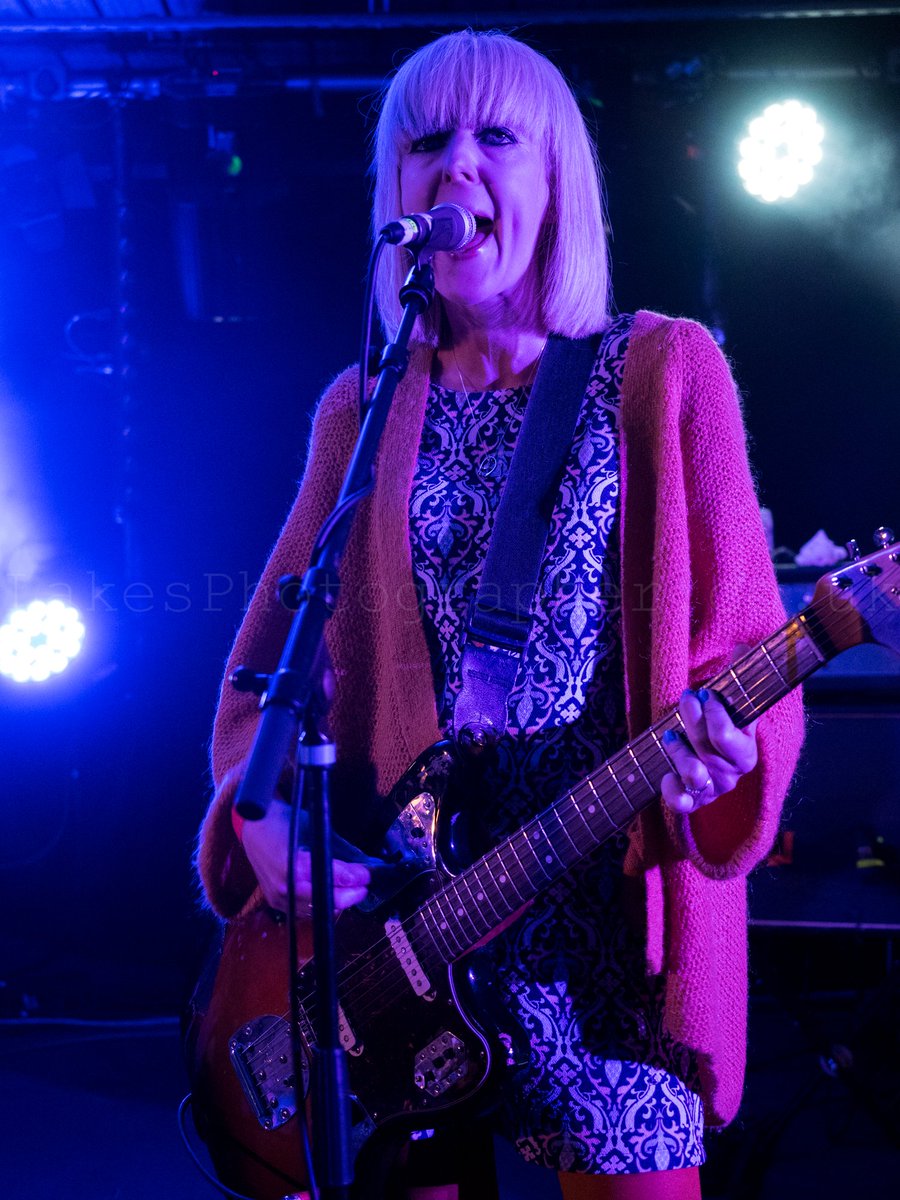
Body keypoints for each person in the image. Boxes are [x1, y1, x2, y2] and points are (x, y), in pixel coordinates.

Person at [197, 29, 804, 1200]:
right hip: (410, 935)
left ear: (554, 179)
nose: (455, 167)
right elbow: (266, 669)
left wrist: (728, 755)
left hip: (606, 927)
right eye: (425, 141)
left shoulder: (665, 370)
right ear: (395, 190)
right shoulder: (363, 407)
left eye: (495, 137)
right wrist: (257, 809)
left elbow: (740, 637)